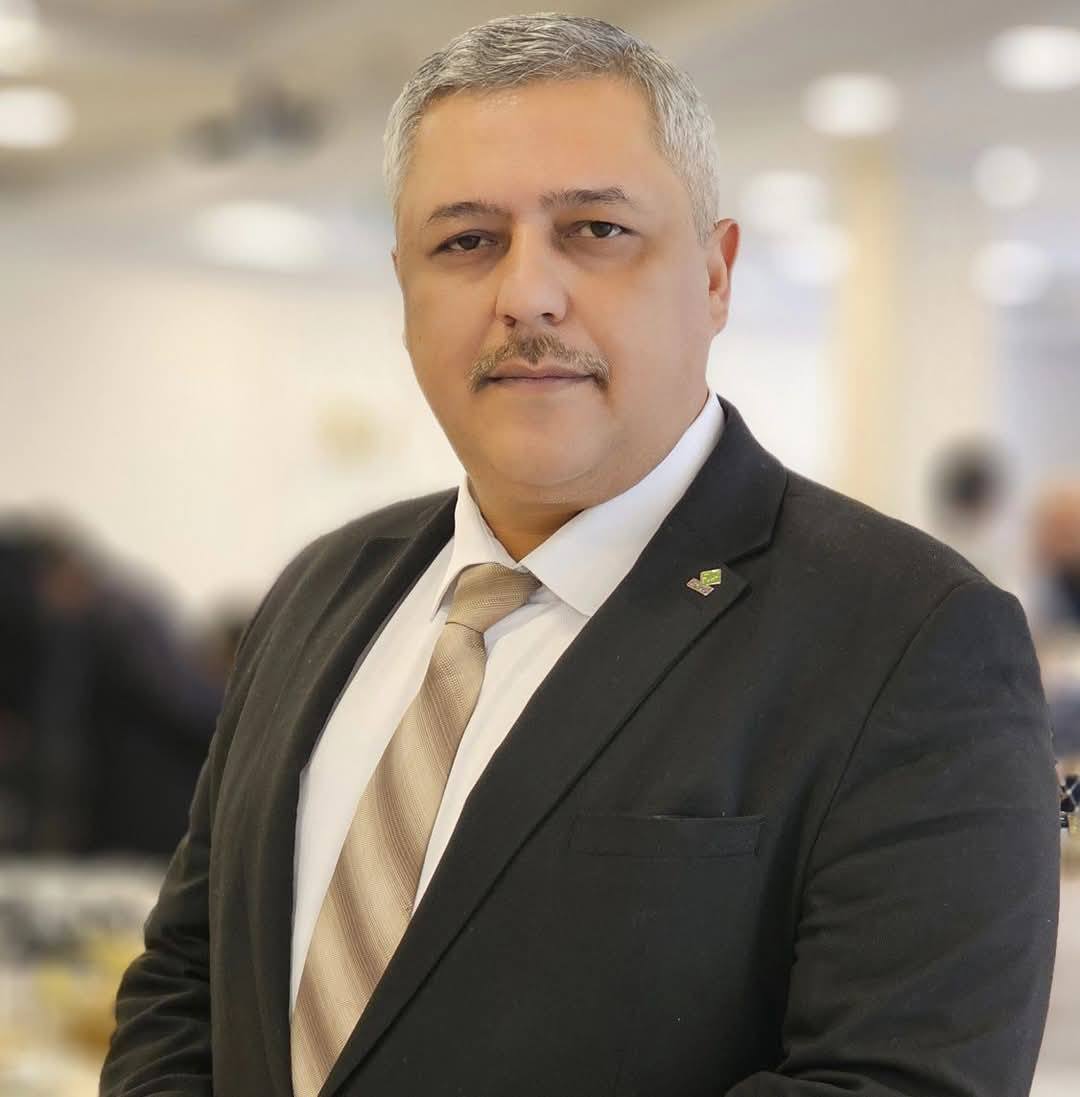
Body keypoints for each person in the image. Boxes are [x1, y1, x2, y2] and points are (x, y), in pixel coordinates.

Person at [100, 14, 1059, 1097]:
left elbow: (894, 1080)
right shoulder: (322, 590)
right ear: (406, 289)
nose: (525, 294)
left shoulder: (909, 637)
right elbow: (188, 981)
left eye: (596, 229)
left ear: (715, 275)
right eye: (466, 241)